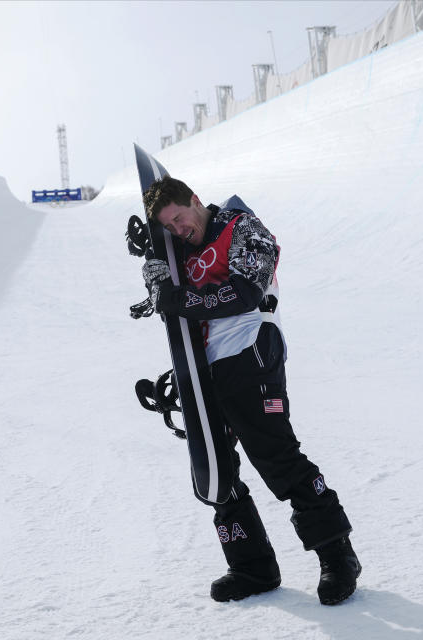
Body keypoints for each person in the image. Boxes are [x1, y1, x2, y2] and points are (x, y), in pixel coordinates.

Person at [137, 176, 361, 605]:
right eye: (169, 227)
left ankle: (338, 556)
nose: (179, 229)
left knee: (276, 456)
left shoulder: (242, 226)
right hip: (204, 368)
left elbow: (243, 293)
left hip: (251, 350)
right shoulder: (177, 251)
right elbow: (160, 293)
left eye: (180, 218)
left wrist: (177, 298)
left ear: (195, 200)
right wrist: (154, 271)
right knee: (214, 472)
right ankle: (251, 567)